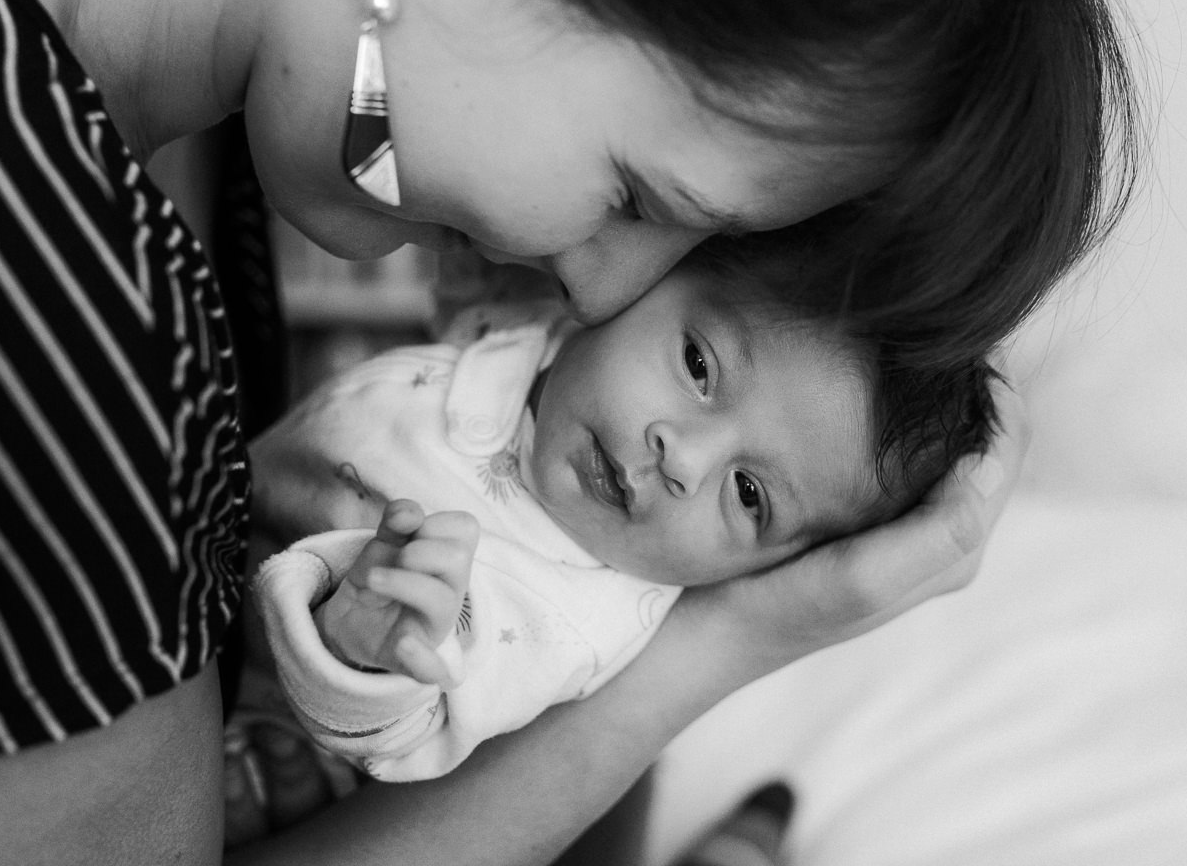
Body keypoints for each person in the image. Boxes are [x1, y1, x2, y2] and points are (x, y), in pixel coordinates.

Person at [0, 0, 1153, 863]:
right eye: (635, 194)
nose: (598, 285)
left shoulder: (156, 129)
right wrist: (719, 646)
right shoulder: (62, 301)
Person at [246, 239, 998, 789]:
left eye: (748, 495)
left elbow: (404, 737)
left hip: (249, 709)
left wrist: (365, 654)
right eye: (699, 367)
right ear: (642, 284)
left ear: (767, 566)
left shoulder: (556, 616)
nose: (684, 461)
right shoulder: (550, 330)